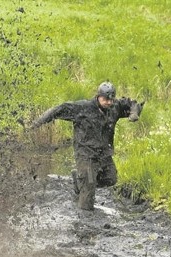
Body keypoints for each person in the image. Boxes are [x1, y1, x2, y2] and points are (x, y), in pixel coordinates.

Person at [31, 82, 144, 211]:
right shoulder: (83, 108)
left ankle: (79, 181)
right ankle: (83, 220)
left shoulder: (115, 107)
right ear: (98, 96)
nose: (109, 102)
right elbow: (59, 109)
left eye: (111, 100)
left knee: (111, 179)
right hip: (86, 154)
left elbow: (133, 104)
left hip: (104, 154)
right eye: (106, 99)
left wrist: (134, 113)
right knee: (88, 190)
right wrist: (37, 123)